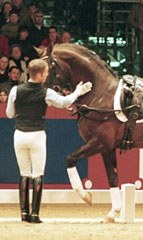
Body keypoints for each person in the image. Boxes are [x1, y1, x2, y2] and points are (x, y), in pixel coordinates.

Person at [6, 59, 92, 223]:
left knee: (24, 174)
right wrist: (78, 92)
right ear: (39, 74)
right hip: (36, 134)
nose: (47, 75)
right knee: (37, 174)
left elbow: (10, 114)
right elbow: (64, 102)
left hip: (19, 134)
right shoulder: (46, 92)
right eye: (45, 72)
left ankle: (24, 214)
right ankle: (35, 215)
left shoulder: (16, 90)